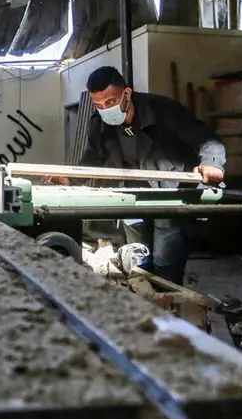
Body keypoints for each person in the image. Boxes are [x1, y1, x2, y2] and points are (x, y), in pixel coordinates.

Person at [49, 66, 226, 284]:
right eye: (99, 105)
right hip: (131, 194)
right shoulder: (99, 122)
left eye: (110, 102)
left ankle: (167, 300)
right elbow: (93, 158)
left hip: (169, 194)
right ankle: (142, 295)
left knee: (165, 260)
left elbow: (207, 139)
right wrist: (71, 178)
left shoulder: (163, 111)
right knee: (137, 257)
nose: (105, 110)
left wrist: (211, 163)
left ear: (127, 93)